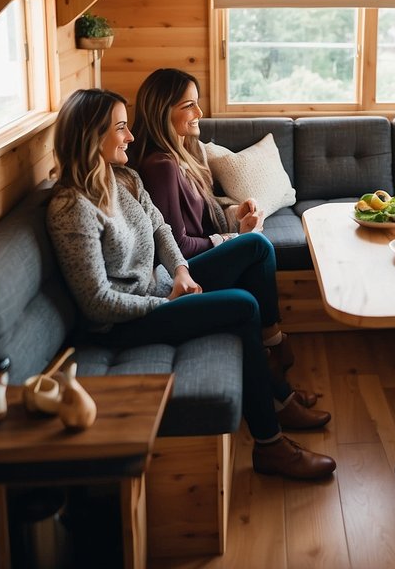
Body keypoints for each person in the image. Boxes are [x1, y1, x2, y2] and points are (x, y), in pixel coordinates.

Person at [45, 88, 334, 480]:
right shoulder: (71, 207)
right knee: (243, 305)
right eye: (120, 128)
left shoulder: (124, 179)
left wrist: (181, 271)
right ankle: (271, 443)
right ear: (92, 137)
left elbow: (161, 228)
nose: (130, 137)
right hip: (124, 322)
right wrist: (165, 303)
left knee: (255, 245)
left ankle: (278, 382)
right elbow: (97, 303)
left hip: (164, 286)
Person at [129, 68, 314, 405]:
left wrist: (235, 216)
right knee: (257, 245)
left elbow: (199, 218)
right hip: (182, 273)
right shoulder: (160, 166)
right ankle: (275, 345)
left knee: (255, 245)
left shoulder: (185, 154)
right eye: (189, 106)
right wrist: (232, 240)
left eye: (197, 104)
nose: (199, 113)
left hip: (195, 260)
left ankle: (277, 368)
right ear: (162, 111)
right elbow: (177, 246)